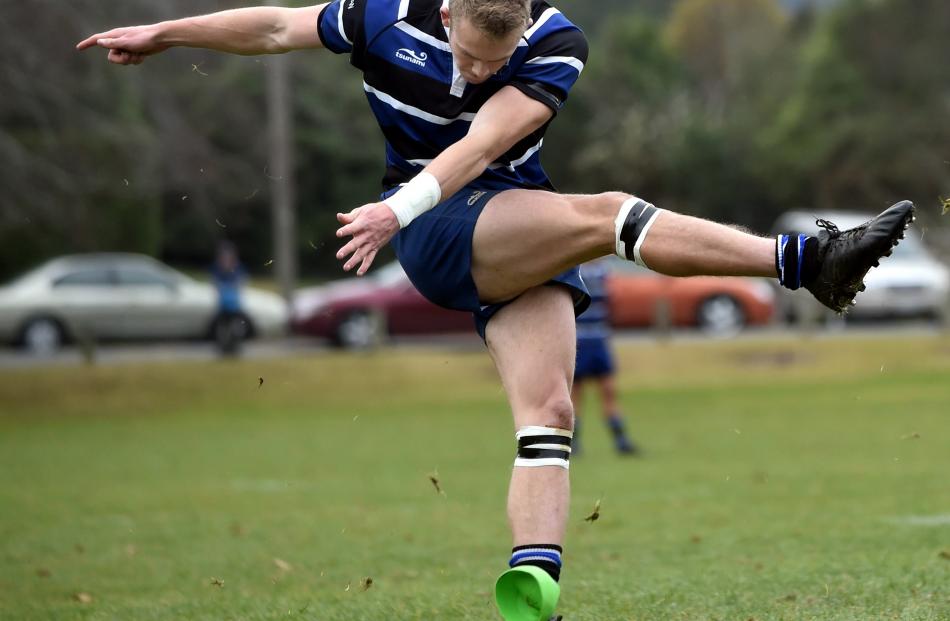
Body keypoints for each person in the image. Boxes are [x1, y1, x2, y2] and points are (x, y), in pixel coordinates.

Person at [78, 2, 914, 619]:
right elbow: (273, 29)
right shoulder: (379, 17)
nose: (479, 71)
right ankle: (810, 262)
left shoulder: (554, 44)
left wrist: (394, 207)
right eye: (472, 55)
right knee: (608, 214)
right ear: (445, 13)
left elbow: (481, 146)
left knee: (548, 414)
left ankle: (532, 586)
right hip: (439, 229)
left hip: (503, 217)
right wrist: (165, 33)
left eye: (495, 56)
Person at [570, 259, 637, 457]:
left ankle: (621, 441)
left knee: (608, 391)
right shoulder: (575, 271)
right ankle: (574, 443)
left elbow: (616, 298)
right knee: (575, 396)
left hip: (599, 340)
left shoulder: (604, 272)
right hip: (579, 340)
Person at [210, 240, 247, 356]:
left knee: (236, 326)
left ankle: (234, 346)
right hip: (223, 305)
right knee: (222, 326)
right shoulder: (218, 269)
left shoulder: (237, 268)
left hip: (234, 305)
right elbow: (215, 283)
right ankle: (223, 346)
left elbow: (241, 282)